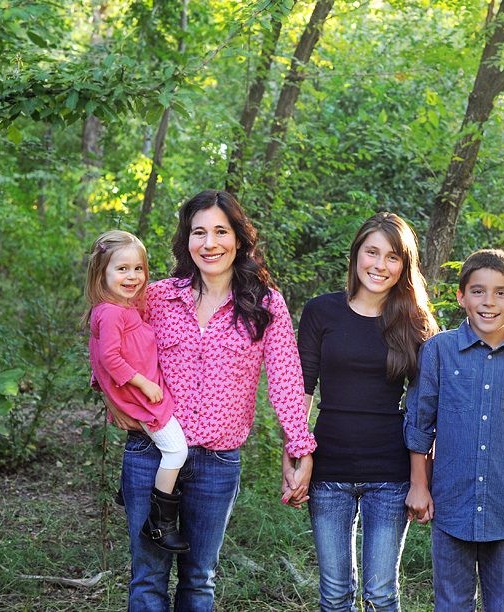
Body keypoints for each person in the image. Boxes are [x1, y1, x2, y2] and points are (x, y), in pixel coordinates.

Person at [104, 190, 316, 611]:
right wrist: (113, 400)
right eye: (199, 232)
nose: (209, 243)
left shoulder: (264, 304)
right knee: (147, 576)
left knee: (199, 579)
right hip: (150, 452)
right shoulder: (157, 297)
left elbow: (287, 380)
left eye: (220, 231)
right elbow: (108, 340)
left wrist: (300, 447)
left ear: (239, 238)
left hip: (216, 464)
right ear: (187, 240)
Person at [294, 212, 438, 611]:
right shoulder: (321, 311)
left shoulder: (415, 323)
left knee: (381, 594)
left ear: (404, 266)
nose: (380, 265)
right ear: (356, 254)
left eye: (392, 257)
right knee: (334, 593)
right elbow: (300, 391)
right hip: (328, 470)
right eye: (372, 252)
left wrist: (419, 481)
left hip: (390, 474)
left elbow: (423, 411)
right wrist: (296, 458)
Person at [404, 248, 504, 612]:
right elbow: (419, 422)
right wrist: (418, 484)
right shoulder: (439, 351)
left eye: (500, 293)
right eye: (478, 291)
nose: (489, 302)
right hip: (451, 507)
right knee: (451, 604)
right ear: (462, 296)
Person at [85, 230, 189, 554]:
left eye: (138, 268)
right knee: (177, 451)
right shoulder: (112, 312)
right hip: (141, 398)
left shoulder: (120, 307)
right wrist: (143, 383)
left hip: (138, 393)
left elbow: (98, 353)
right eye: (122, 269)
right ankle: (159, 523)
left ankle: (128, 488)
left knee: (164, 448)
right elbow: (108, 358)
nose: (132, 276)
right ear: (102, 273)